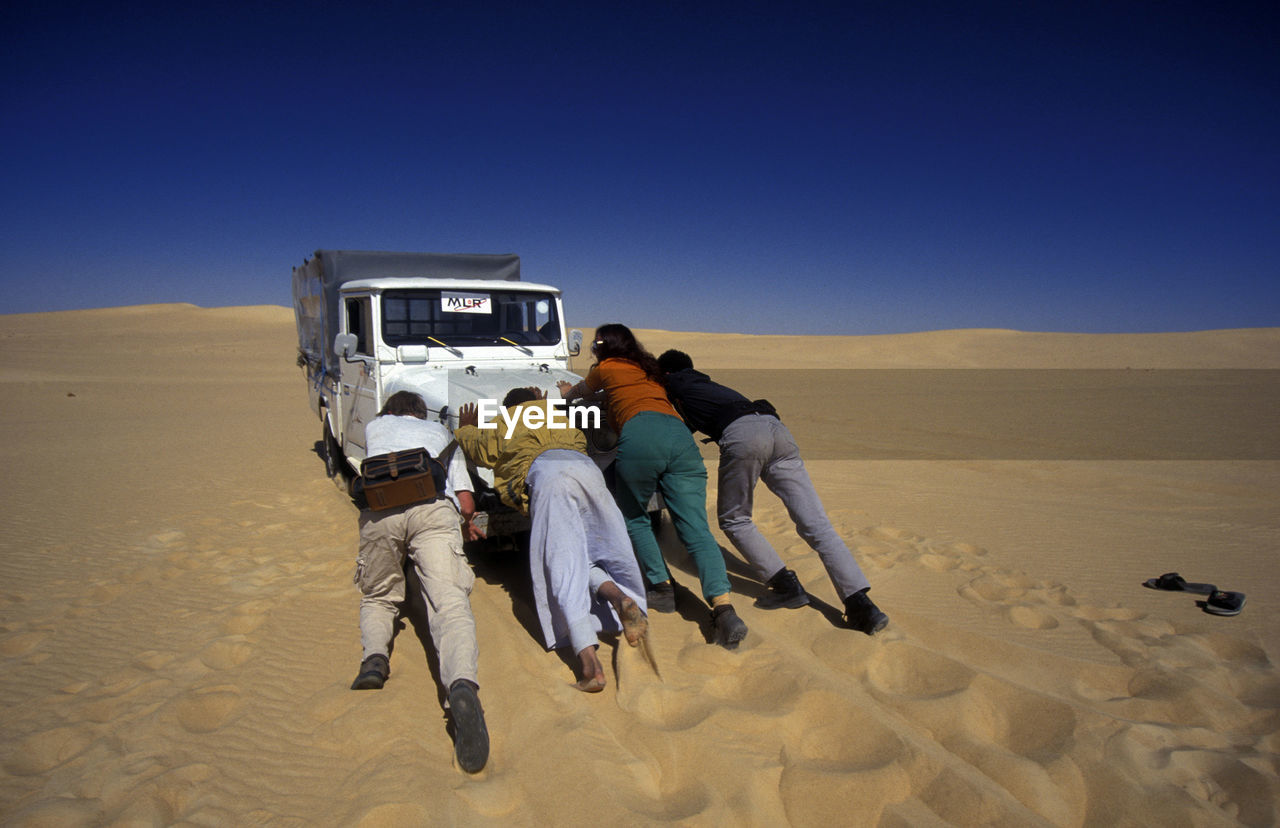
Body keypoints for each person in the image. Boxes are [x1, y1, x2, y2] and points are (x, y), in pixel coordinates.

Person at [656, 349, 889, 635]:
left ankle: (786, 586)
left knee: (735, 519)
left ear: (665, 373)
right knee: (816, 524)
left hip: (744, 435)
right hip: (777, 431)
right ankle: (861, 605)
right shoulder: (710, 386)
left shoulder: (673, 384)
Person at [557, 324, 749, 649]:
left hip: (640, 432)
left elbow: (578, 395)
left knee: (634, 515)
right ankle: (723, 607)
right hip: (679, 437)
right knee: (696, 527)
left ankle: (661, 588)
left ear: (602, 347)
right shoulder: (649, 369)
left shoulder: (606, 367)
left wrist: (566, 391)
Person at [455, 387, 649, 692]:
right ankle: (619, 597)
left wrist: (467, 426)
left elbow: (478, 448)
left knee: (561, 567)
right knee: (589, 553)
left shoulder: (506, 420)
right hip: (587, 472)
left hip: (548, 477)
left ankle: (590, 666)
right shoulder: (557, 416)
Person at [349, 390, 490, 773]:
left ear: (390, 410)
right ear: (419, 412)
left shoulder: (376, 427)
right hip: (432, 511)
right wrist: (468, 523)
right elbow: (465, 503)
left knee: (378, 595)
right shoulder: (440, 435)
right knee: (450, 604)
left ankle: (374, 661)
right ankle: (461, 684)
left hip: (380, 514)